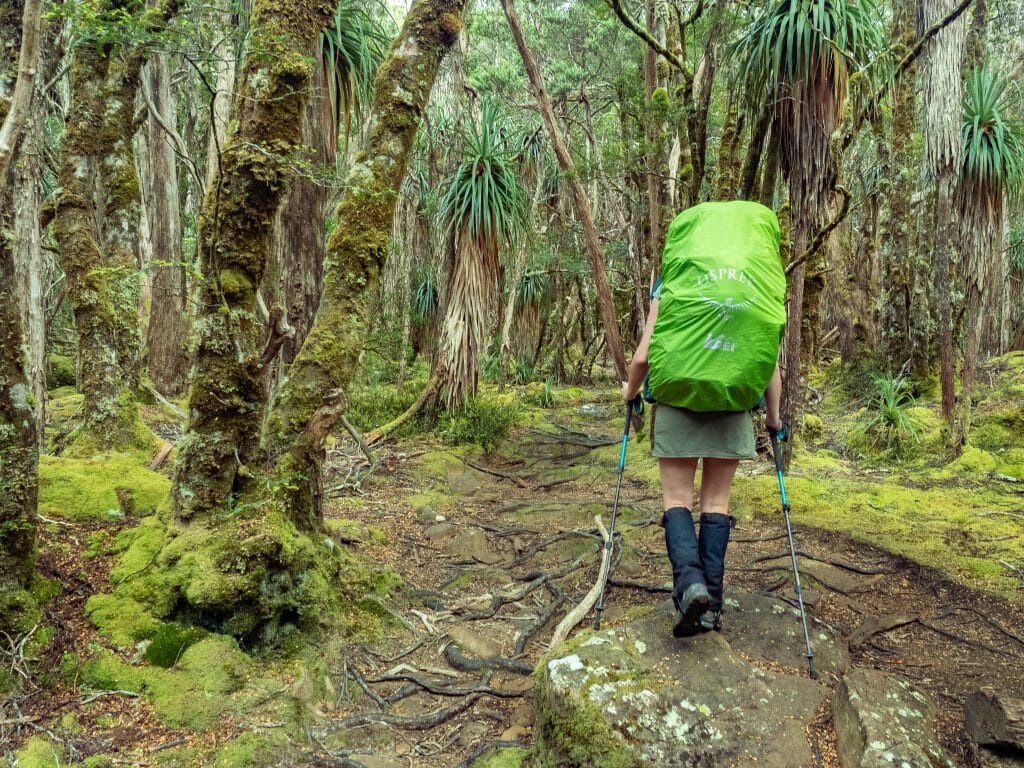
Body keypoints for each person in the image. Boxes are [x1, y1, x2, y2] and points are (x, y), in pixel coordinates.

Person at [621, 283, 782, 638]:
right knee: (717, 503)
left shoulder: (674, 278)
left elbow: (644, 356)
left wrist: (629, 391)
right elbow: (765, 356)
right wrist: (774, 416)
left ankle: (691, 586)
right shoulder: (751, 280)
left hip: (678, 399)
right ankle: (711, 609)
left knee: (677, 500)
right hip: (731, 403)